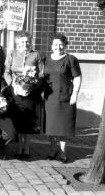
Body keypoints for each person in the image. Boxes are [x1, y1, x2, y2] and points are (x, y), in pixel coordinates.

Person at [3, 31, 43, 158]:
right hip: (16, 93)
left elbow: (41, 74)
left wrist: (33, 84)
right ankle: (19, 147)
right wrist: (12, 84)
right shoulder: (12, 54)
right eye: (21, 42)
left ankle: (27, 149)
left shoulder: (36, 55)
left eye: (27, 42)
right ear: (17, 43)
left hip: (30, 93)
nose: (24, 44)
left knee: (29, 121)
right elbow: (6, 72)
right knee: (19, 119)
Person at [44, 33, 82, 163]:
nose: (58, 47)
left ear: (65, 45)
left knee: (64, 127)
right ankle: (52, 150)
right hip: (50, 98)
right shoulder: (46, 59)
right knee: (51, 126)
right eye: (55, 44)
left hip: (66, 97)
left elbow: (77, 77)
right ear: (51, 45)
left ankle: (63, 152)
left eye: (61, 44)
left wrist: (75, 94)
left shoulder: (71, 59)